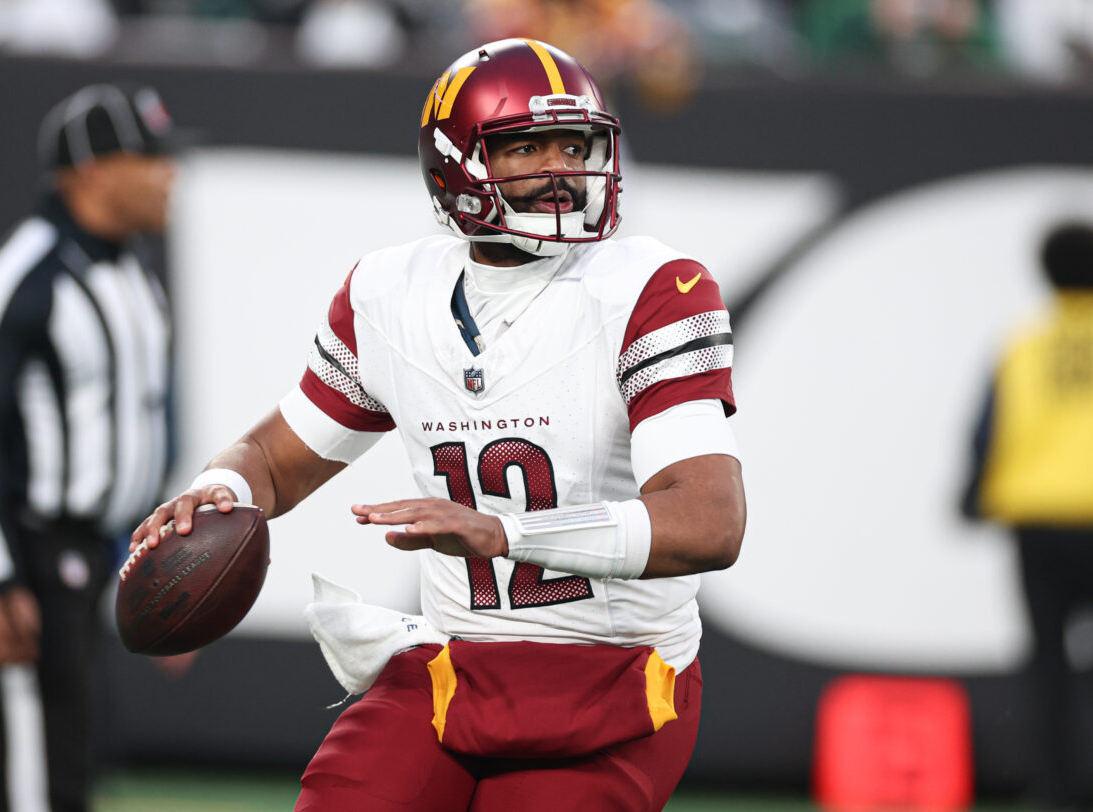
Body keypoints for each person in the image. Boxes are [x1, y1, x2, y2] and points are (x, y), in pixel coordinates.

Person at [134, 38, 746, 812]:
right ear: (457, 165)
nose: (562, 168)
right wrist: (218, 490)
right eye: (527, 147)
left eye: (574, 143)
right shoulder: (391, 293)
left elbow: (710, 521)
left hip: (621, 674)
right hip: (459, 665)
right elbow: (275, 456)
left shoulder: (655, 288)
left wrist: (508, 532)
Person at [0, 83, 180, 812]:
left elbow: (140, 426)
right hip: (27, 550)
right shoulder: (22, 274)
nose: (169, 175)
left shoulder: (134, 273)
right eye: (150, 157)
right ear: (93, 171)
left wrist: (160, 565)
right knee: (47, 769)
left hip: (85, 551)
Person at [962, 221, 1093, 812]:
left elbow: (988, 432)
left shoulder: (1023, 345)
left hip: (1039, 524)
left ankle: (1060, 789)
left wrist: (970, 496)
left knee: (1048, 665)